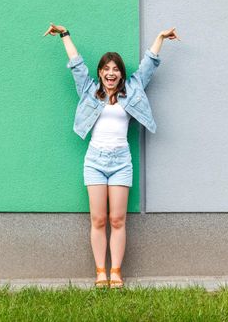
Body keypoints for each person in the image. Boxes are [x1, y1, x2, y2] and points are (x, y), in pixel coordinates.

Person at [43, 23, 180, 288]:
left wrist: (160, 38)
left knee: (117, 219)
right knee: (98, 219)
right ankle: (100, 272)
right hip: (95, 161)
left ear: (120, 74)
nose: (110, 73)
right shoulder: (89, 91)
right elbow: (76, 64)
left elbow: (148, 67)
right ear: (100, 73)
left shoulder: (132, 90)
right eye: (106, 69)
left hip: (120, 163)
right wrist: (65, 34)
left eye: (115, 69)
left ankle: (115, 271)